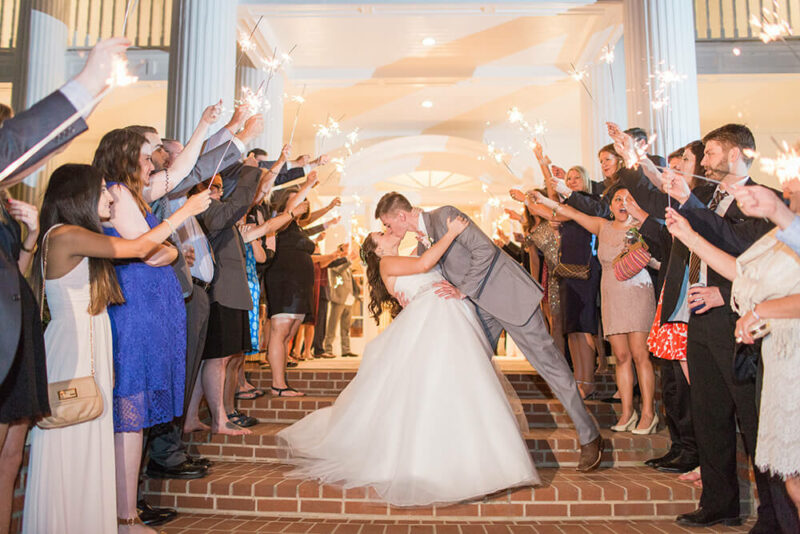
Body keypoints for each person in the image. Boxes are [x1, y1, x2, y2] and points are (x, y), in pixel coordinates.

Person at [279, 215, 539, 505]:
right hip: (432, 322)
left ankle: (484, 463)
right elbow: (424, 265)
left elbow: (430, 264)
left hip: (447, 317)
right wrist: (451, 232)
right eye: (382, 233)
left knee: (462, 388)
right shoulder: (387, 263)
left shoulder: (400, 258)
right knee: (434, 388)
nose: (388, 232)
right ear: (377, 250)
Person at [22, 164, 209, 534]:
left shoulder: (74, 233)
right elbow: (140, 247)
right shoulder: (65, 234)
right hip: (74, 343)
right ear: (80, 195)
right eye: (102, 191)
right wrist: (185, 212)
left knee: (90, 436)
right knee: (73, 432)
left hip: (90, 338)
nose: (110, 195)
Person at [374, 193, 603, 471]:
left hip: (510, 295)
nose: (389, 230)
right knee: (472, 373)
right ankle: (479, 450)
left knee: (550, 367)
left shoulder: (445, 213)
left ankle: (590, 436)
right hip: (480, 312)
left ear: (401, 216)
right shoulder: (421, 247)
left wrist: (462, 290)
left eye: (388, 224)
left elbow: (485, 251)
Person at [666, 186, 800, 533]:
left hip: (794, 356)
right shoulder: (776, 236)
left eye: (795, 180)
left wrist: (760, 310)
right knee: (791, 475)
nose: (787, 186)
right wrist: (689, 236)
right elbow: (741, 271)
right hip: (776, 359)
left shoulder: (785, 226)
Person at [531, 188, 657, 434]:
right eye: (617, 199)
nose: (622, 203)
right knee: (621, 356)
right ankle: (627, 412)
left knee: (640, 354)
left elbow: (660, 256)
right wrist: (545, 199)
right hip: (612, 294)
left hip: (638, 292)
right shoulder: (602, 226)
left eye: (628, 199)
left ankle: (648, 413)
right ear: (610, 207)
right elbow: (573, 213)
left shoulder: (644, 227)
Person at [324, 243, 360, 357]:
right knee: (332, 325)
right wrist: (349, 260)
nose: (347, 251)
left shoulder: (347, 264)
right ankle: (328, 349)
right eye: (345, 249)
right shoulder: (336, 262)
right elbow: (338, 270)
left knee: (346, 326)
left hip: (349, 298)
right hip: (339, 298)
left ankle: (346, 350)